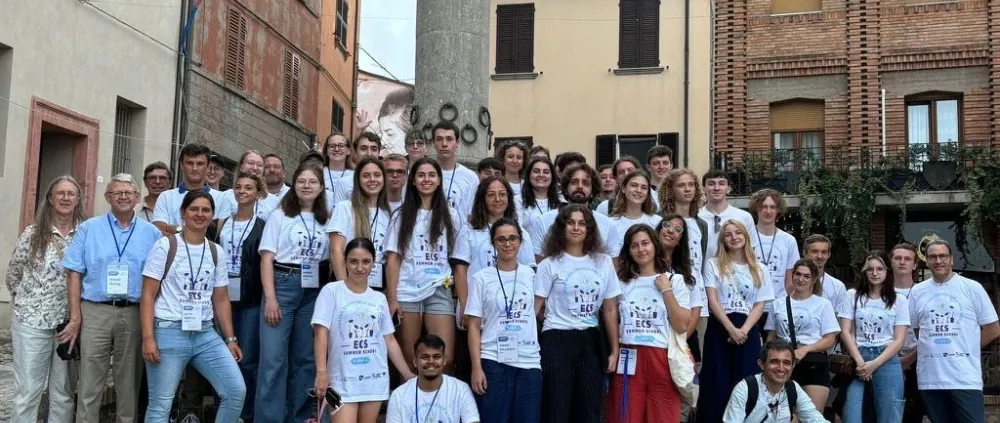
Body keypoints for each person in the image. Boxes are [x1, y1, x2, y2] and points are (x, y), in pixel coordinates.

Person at [60, 174, 162, 423]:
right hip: (95, 311)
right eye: (118, 192)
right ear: (108, 197)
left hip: (134, 312)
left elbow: (158, 280)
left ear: (138, 198)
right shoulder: (89, 228)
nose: (124, 196)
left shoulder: (152, 234)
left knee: (128, 383)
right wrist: (75, 317)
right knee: (90, 384)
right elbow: (74, 273)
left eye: (129, 192)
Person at [139, 190, 246, 421]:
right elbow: (147, 295)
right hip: (169, 330)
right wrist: (148, 338)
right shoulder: (165, 246)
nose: (200, 214)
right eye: (194, 209)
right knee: (161, 405)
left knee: (235, 391)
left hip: (204, 332)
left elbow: (220, 298)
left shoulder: (216, 251)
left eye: (205, 210)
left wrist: (230, 338)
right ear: (183, 213)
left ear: (212, 215)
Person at [256, 162, 333, 423]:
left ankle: (299, 418)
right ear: (294, 185)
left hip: (314, 291)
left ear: (321, 187)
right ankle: (269, 419)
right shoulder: (280, 215)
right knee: (273, 360)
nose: (307, 186)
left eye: (312, 182)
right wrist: (271, 298)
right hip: (283, 284)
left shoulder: (327, 217)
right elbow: (266, 258)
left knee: (305, 360)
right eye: (301, 181)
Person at [312, 237, 416, 423]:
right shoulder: (331, 291)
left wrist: (407, 374)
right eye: (353, 261)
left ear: (373, 263)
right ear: (344, 261)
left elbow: (389, 340)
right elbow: (321, 334)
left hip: (374, 379)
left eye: (366, 261)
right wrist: (321, 372)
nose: (360, 268)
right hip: (341, 381)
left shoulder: (379, 299)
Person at [534, 204, 621, 423]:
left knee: (589, 408)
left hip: (591, 339)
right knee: (557, 407)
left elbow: (610, 309)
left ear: (590, 228)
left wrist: (614, 349)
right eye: (571, 223)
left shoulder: (603, 262)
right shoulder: (548, 264)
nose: (576, 228)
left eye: (582, 223)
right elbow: (536, 308)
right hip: (556, 338)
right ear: (561, 228)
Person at [7, 176, 84, 423]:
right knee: (28, 391)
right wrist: (27, 301)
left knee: (62, 393)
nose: (65, 198)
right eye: (59, 193)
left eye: (70, 193)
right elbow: (14, 273)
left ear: (78, 199)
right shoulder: (33, 233)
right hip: (31, 323)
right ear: (50, 199)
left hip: (68, 324)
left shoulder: (86, 233)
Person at [909, 240, 1000, 423]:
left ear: (951, 259)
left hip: (964, 377)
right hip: (931, 378)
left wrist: (969, 345)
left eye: (943, 256)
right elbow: (917, 330)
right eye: (933, 257)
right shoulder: (917, 291)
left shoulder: (971, 288)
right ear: (926, 261)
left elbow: (993, 329)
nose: (938, 260)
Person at [385, 158, 463, 371]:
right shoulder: (401, 215)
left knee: (444, 357)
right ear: (413, 181)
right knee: (410, 358)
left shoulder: (452, 216)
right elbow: (393, 259)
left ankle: (441, 403)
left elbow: (458, 259)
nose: (426, 179)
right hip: (408, 291)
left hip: (439, 288)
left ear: (439, 181)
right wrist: (392, 298)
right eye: (421, 175)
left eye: (431, 175)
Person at [607, 224, 690, 423]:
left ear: (655, 245)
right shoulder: (621, 282)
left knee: (663, 417)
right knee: (625, 417)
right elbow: (610, 315)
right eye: (634, 246)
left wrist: (666, 290)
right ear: (628, 251)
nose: (641, 249)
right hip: (628, 355)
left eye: (645, 243)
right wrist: (614, 351)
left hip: (661, 357)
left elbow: (682, 325)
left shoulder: (674, 280)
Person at [466, 218, 542, 423]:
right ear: (493, 243)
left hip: (529, 360)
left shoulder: (533, 275)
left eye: (512, 239)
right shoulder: (481, 278)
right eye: (501, 239)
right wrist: (476, 367)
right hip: (493, 359)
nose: (507, 244)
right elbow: (473, 326)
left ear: (520, 241)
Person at [698, 219, 774, 423]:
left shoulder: (759, 268)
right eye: (729, 234)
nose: (734, 237)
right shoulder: (713, 264)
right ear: (723, 239)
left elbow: (760, 304)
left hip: (747, 330)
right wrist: (731, 329)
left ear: (745, 236)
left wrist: (744, 330)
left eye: (738, 233)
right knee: (717, 384)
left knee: (746, 383)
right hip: (720, 327)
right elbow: (712, 299)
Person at [212, 172, 267, 421]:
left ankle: (245, 413)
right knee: (220, 356)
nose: (242, 191)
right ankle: (222, 410)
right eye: (238, 186)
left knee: (247, 359)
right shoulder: (222, 224)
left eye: (248, 187)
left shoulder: (263, 226)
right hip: (222, 297)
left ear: (257, 193)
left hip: (251, 301)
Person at [839, 251, 909, 423]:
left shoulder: (898, 300)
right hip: (858, 358)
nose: (875, 273)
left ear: (887, 272)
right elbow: (845, 331)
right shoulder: (852, 295)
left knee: (889, 415)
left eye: (880, 269)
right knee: (851, 413)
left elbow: (899, 339)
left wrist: (875, 364)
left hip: (886, 358)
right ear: (864, 272)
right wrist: (861, 363)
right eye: (870, 269)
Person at [764, 259, 839, 414]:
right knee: (784, 416)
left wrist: (806, 349)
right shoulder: (777, 304)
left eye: (806, 276)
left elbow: (830, 339)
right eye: (798, 274)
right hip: (783, 363)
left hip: (814, 362)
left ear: (813, 280)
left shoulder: (823, 304)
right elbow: (771, 336)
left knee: (811, 416)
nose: (801, 279)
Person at [659, 169, 710, 366]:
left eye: (691, 185)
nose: (687, 189)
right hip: (669, 293)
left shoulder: (701, 224)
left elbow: (700, 261)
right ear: (670, 190)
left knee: (693, 359)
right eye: (681, 185)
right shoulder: (661, 221)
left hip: (697, 297)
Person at [722, 339, 830, 423]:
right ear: (761, 364)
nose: (781, 368)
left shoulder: (793, 388)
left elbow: (815, 419)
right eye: (774, 361)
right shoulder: (745, 388)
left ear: (793, 366)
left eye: (786, 363)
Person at [455, 176, 535, 285]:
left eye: (502, 194)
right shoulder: (468, 230)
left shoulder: (520, 232)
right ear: (482, 199)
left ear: (509, 197)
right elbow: (460, 270)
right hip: (475, 298)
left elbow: (529, 272)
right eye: (491, 195)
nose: (497, 199)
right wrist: (465, 302)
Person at [528, 163, 615, 263]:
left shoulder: (607, 224)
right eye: (574, 182)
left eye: (586, 183)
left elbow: (612, 266)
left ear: (593, 191)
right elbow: (539, 263)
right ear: (565, 188)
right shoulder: (544, 221)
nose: (580, 186)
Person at [328, 157, 392, 289]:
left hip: (379, 282)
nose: (372, 179)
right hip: (348, 278)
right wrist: (344, 288)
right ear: (358, 180)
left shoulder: (389, 213)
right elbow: (336, 250)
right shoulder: (345, 207)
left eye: (377, 175)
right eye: (366, 176)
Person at [387, 335, 480, 423]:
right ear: (415, 362)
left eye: (437, 357)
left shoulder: (460, 389)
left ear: (444, 360)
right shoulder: (398, 395)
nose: (431, 361)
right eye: (425, 357)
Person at [749, 189, 800, 338]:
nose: (768, 211)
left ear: (778, 210)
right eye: (764, 206)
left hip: (777, 306)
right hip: (750, 306)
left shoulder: (788, 240)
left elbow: (790, 279)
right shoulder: (745, 237)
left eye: (772, 207)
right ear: (756, 208)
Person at [656, 215, 705, 369]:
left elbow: (696, 311)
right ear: (658, 231)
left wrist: (678, 341)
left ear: (680, 241)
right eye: (667, 225)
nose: (671, 230)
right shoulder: (643, 264)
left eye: (678, 230)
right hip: (653, 341)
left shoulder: (689, 272)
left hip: (683, 342)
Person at [153, 143, 226, 236]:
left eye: (200, 164)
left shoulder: (222, 198)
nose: (194, 168)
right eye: (190, 163)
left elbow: (218, 232)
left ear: (207, 167)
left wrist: (177, 228)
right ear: (182, 165)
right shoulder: (166, 197)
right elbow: (158, 229)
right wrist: (200, 230)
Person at [890, 242, 925, 423]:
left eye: (907, 259)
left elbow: (929, 333)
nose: (902, 262)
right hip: (885, 360)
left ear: (915, 264)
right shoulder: (881, 292)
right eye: (898, 258)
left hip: (917, 362)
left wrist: (909, 359)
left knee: (913, 413)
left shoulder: (924, 292)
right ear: (891, 262)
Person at [698, 170, 755, 259]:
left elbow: (751, 249)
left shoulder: (744, 217)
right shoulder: (696, 217)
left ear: (728, 189)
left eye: (721, 183)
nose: (716, 188)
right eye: (711, 184)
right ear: (703, 188)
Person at [607, 170, 662, 257]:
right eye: (634, 185)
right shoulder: (610, 223)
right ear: (623, 189)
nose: (638, 190)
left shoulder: (657, 221)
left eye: (644, 187)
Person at [433, 121, 479, 222]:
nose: (444, 144)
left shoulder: (470, 177)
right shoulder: (424, 174)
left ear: (457, 143)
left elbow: (472, 215)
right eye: (439, 139)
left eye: (449, 139)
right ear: (434, 143)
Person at [329, 132, 384, 210]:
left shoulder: (384, 181)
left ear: (379, 152)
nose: (369, 154)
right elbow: (338, 214)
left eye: (374, 149)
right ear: (355, 152)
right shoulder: (343, 183)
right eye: (363, 148)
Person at [217, 150, 276, 220]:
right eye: (250, 163)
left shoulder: (274, 201)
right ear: (241, 166)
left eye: (260, 165)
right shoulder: (227, 196)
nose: (255, 168)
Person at [801, 235, 848, 317]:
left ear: (829, 254)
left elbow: (839, 321)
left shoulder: (838, 287)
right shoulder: (792, 283)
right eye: (815, 251)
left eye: (824, 252)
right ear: (804, 253)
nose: (819, 256)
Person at [518, 156, 561, 236]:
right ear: (529, 175)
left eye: (546, 172)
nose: (541, 175)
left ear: (552, 176)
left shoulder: (562, 201)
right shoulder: (518, 200)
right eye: (536, 171)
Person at [323, 133, 355, 212]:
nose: (337, 149)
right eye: (332, 146)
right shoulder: (318, 174)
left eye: (341, 146)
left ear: (349, 151)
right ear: (326, 151)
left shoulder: (355, 176)